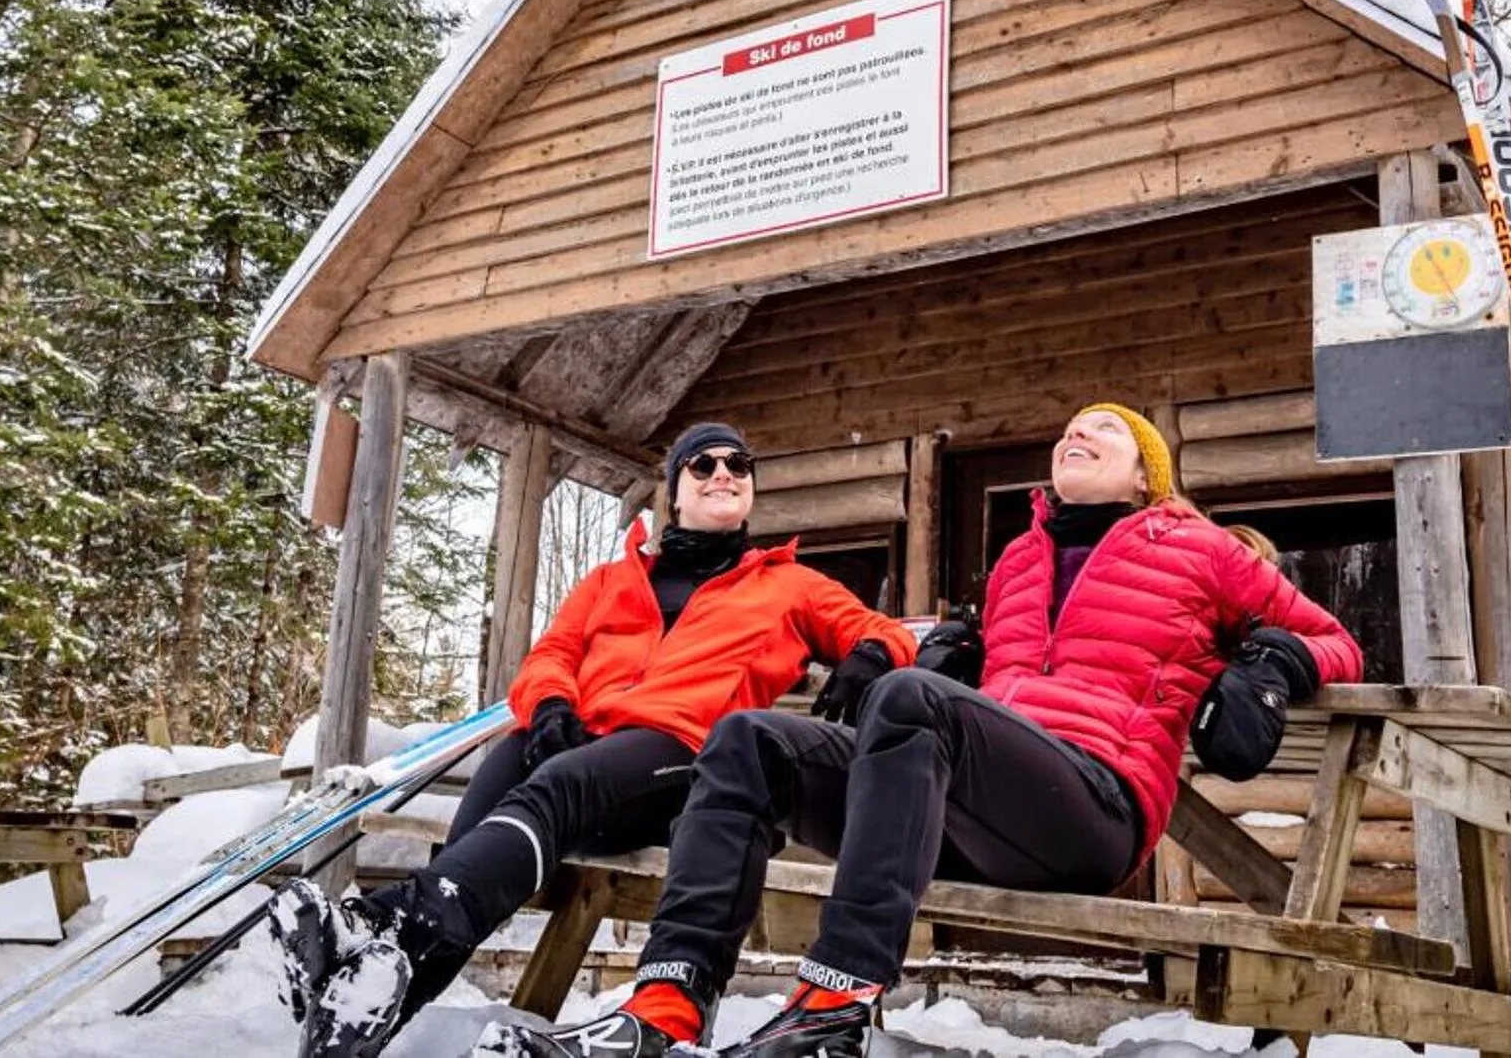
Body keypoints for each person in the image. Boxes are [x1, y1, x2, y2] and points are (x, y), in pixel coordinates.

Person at [481, 403, 1365, 1058]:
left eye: (1104, 428)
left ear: (1145, 477)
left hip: (1091, 809)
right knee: (750, 739)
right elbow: (975, 690)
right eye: (1068, 428)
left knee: (910, 698)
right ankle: (666, 1005)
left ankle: (833, 1004)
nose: (1077, 432)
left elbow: (1333, 638)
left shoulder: (1198, 549)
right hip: (969, 817)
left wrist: (1268, 668)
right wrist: (959, 651)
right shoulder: (1018, 561)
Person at [270, 422, 918, 1058]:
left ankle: (382, 920)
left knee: (559, 784)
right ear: (674, 489)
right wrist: (551, 704)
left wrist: (868, 656)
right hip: (588, 758)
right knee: (491, 800)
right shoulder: (611, 580)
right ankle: (358, 1014)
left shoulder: (789, 584)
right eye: (703, 464)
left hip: (690, 764)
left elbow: (885, 632)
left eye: (737, 464)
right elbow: (550, 655)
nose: (723, 473)